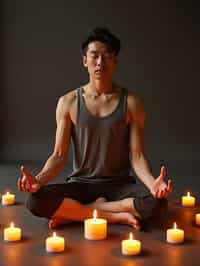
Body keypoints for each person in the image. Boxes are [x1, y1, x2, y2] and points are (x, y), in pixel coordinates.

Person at [18, 27, 172, 230]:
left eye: (107, 57)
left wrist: (153, 184)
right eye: (95, 56)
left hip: (119, 185)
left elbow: (137, 155)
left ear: (115, 61)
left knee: (158, 205)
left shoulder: (132, 103)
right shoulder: (68, 102)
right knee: (35, 201)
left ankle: (79, 213)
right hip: (81, 184)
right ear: (85, 61)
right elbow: (58, 155)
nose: (100, 63)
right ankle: (115, 216)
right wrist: (38, 180)